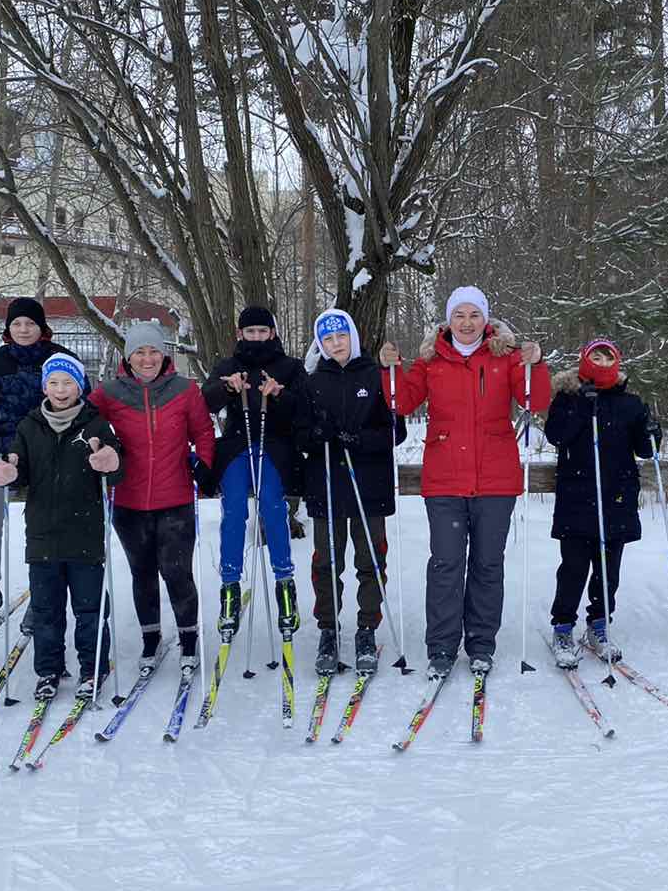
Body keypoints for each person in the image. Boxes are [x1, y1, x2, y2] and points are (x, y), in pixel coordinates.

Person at [378, 285, 550, 678]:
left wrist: (534, 364)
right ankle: (441, 645)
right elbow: (401, 402)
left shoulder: (503, 358)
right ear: (448, 320)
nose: (467, 323)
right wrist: (390, 367)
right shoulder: (431, 362)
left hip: (496, 479)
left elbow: (533, 401)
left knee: (488, 564)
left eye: (474, 315)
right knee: (446, 564)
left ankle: (481, 643)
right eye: (460, 315)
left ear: (485, 319)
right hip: (444, 481)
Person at [0, 354, 124, 701]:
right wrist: (8, 471)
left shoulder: (96, 424)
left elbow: (117, 467)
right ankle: (48, 670)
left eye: (68, 383)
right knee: (47, 611)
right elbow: (17, 463)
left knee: (90, 609)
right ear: (44, 386)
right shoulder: (29, 425)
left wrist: (110, 461)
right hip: (43, 535)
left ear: (79, 386)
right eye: (54, 383)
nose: (60, 390)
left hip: (85, 535)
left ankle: (93, 669)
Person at [90, 320, 215, 678]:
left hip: (174, 496)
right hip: (127, 499)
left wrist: (204, 464)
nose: (147, 358)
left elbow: (203, 431)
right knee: (141, 573)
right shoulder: (110, 392)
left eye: (154, 351)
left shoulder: (185, 390)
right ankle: (151, 637)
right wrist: (102, 448)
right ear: (128, 358)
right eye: (139, 352)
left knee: (176, 572)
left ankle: (188, 638)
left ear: (165, 355)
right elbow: (85, 423)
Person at [297, 308, 407, 677]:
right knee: (327, 561)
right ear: (321, 344)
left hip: (368, 484)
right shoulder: (312, 381)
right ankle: (328, 628)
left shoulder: (374, 376)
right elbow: (300, 430)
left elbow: (396, 431)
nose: (336, 344)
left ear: (353, 337)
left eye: (341, 336)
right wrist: (317, 433)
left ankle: (366, 627)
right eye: (328, 339)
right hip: (325, 482)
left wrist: (359, 439)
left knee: (370, 560)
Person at [0, 297, 75, 638]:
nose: (24, 330)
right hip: (4, 446)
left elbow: (81, 397)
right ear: (8, 329)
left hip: (49, 445)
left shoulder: (60, 358)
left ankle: (42, 593)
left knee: (47, 514)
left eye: (30, 324)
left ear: (42, 328)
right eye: (17, 324)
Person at [543, 340, 658, 668]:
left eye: (608, 357)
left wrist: (652, 432)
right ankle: (563, 626)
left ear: (616, 363)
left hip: (616, 496)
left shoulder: (631, 403)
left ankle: (599, 625)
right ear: (585, 360)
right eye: (596, 355)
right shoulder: (568, 397)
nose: (601, 361)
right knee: (573, 568)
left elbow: (646, 449)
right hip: (577, 495)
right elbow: (556, 435)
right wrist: (582, 406)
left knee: (609, 570)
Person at [201, 306, 306, 638]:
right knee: (233, 514)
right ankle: (229, 588)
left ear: (272, 333)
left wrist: (279, 394)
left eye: (263, 331)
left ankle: (285, 586)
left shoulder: (289, 366)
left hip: (275, 447)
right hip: (236, 445)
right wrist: (227, 388)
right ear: (240, 334)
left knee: (274, 511)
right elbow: (206, 401)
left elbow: (305, 408)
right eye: (251, 332)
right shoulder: (229, 366)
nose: (257, 337)